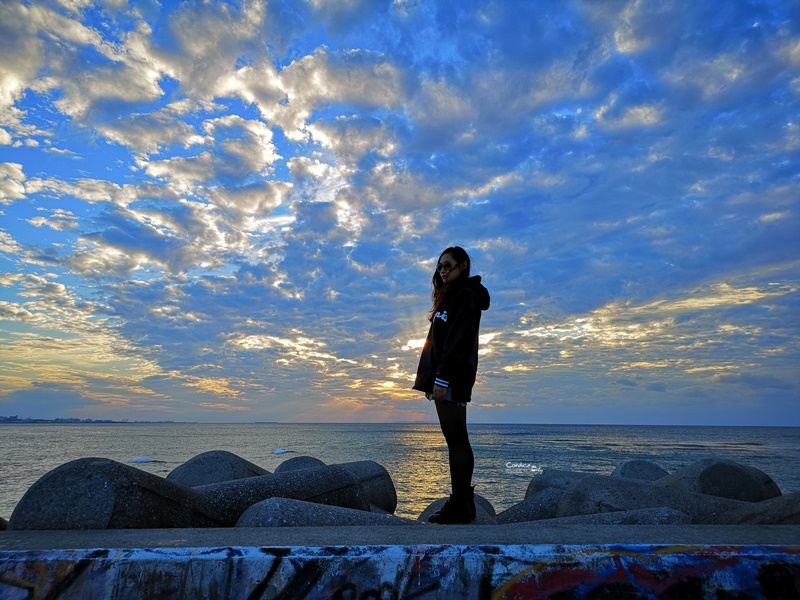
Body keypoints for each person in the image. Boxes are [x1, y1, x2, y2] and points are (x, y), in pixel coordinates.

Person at [413, 246, 490, 524]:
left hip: (453, 378)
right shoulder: (451, 297)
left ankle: (460, 505)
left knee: (457, 440)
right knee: (455, 440)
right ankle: (463, 504)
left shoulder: (466, 296)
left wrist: (442, 379)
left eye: (447, 265)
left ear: (463, 266)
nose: (442, 270)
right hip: (444, 377)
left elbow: (458, 340)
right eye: (439, 266)